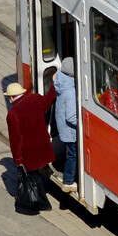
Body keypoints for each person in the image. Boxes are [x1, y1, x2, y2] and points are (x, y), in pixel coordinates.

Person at [4, 81, 56, 215]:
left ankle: (44, 204)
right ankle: (43, 202)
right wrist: (54, 84)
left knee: (34, 178)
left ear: (11, 97)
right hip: (42, 146)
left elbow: (15, 140)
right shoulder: (35, 98)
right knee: (37, 174)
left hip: (29, 152)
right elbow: (49, 100)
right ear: (22, 93)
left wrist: (18, 160)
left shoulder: (12, 114)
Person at [52, 59, 79, 191]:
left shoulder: (61, 82)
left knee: (71, 153)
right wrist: (83, 124)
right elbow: (72, 117)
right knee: (73, 155)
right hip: (70, 130)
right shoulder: (71, 91)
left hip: (63, 127)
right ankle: (68, 181)